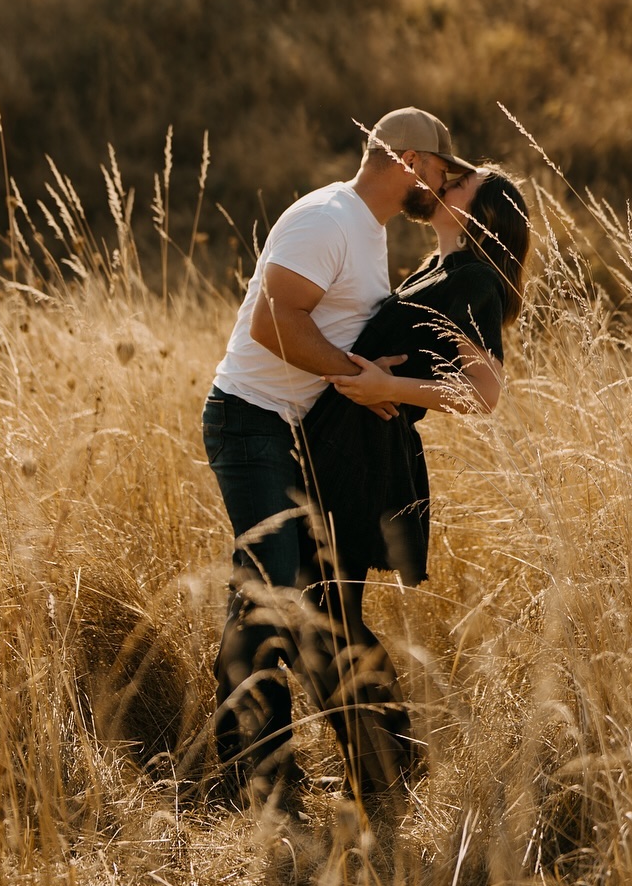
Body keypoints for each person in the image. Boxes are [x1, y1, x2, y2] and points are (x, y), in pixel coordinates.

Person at [201, 107, 473, 814]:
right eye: (440, 173)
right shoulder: (328, 217)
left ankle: (284, 766)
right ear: (411, 160)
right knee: (274, 595)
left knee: (284, 594)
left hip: (294, 433)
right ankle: (260, 781)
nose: (438, 188)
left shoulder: (367, 231)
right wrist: (350, 373)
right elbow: (271, 321)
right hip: (251, 425)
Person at [298, 166, 532, 803]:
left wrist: (387, 390)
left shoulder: (475, 280)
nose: (444, 183)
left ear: (479, 212)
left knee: (323, 610)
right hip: (342, 442)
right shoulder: (436, 268)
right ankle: (387, 766)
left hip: (367, 454)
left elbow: (484, 395)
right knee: (321, 608)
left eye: (459, 183)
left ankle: (386, 769)